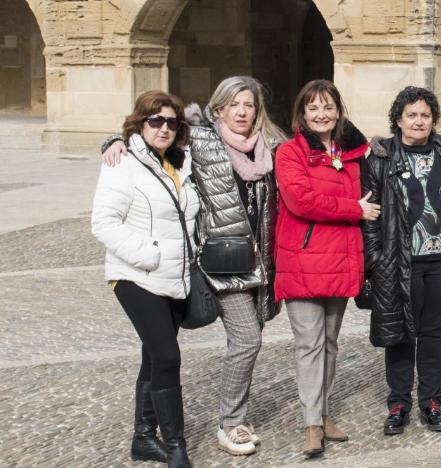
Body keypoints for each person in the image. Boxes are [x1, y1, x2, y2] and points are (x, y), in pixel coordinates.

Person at [101, 76, 287, 456]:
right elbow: (154, 136)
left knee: (167, 353)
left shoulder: (269, 147)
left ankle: (145, 432)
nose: (241, 111)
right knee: (247, 339)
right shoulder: (200, 141)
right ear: (218, 108)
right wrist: (113, 142)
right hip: (222, 265)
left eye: (248, 104)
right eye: (233, 103)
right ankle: (229, 423)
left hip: (260, 263)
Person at [92, 90, 199, 467]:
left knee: (153, 356)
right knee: (168, 356)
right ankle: (175, 446)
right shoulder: (121, 163)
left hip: (174, 276)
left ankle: (142, 437)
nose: (164, 128)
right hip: (136, 276)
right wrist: (148, 255)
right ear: (140, 124)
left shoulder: (181, 163)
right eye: (156, 121)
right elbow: (103, 222)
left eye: (171, 122)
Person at [274, 79, 378, 456]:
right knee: (309, 344)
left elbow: (370, 190)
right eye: (313, 108)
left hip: (340, 259)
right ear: (302, 113)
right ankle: (312, 423)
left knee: (330, 344)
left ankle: (324, 410)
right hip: (302, 260)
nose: (321, 114)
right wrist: (354, 210)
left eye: (328, 107)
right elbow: (301, 201)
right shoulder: (289, 152)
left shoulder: (352, 154)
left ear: (338, 111)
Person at [362, 86, 441, 435]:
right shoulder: (381, 156)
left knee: (434, 332)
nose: (418, 121)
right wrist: (375, 258)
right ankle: (399, 403)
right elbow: (370, 213)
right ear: (398, 120)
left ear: (433, 119)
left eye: (424, 115)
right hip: (399, 258)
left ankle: (431, 402)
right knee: (400, 332)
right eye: (411, 115)